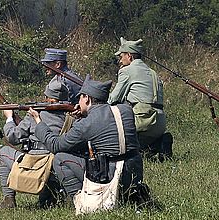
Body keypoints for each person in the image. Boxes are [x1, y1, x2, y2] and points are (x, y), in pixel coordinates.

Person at [30, 76, 149, 205]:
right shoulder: (126, 110)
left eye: (80, 97)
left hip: (110, 176)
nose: (78, 100)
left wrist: (38, 121)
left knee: (59, 158)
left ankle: (80, 200)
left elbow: (55, 145)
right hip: (134, 175)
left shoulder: (86, 124)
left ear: (87, 98)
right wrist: (83, 117)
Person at [0, 78, 72, 209]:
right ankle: (51, 197)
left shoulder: (35, 114)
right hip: (56, 166)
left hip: (34, 163)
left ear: (48, 98)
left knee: (3, 153)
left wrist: (9, 118)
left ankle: (9, 200)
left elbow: (12, 137)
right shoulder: (71, 117)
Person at [107, 37, 173, 161]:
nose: (120, 61)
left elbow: (114, 98)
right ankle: (159, 144)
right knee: (142, 148)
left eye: (121, 57)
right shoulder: (153, 72)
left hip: (143, 121)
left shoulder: (127, 71)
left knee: (115, 136)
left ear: (129, 56)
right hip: (160, 123)